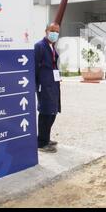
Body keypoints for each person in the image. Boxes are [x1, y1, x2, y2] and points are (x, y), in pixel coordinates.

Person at [34, 23, 61, 153]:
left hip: (53, 84)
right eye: (52, 30)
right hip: (44, 85)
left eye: (57, 31)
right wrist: (36, 85)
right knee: (45, 112)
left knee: (52, 111)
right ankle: (41, 143)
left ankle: (46, 138)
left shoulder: (52, 46)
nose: (55, 33)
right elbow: (34, 67)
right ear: (46, 31)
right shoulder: (39, 46)